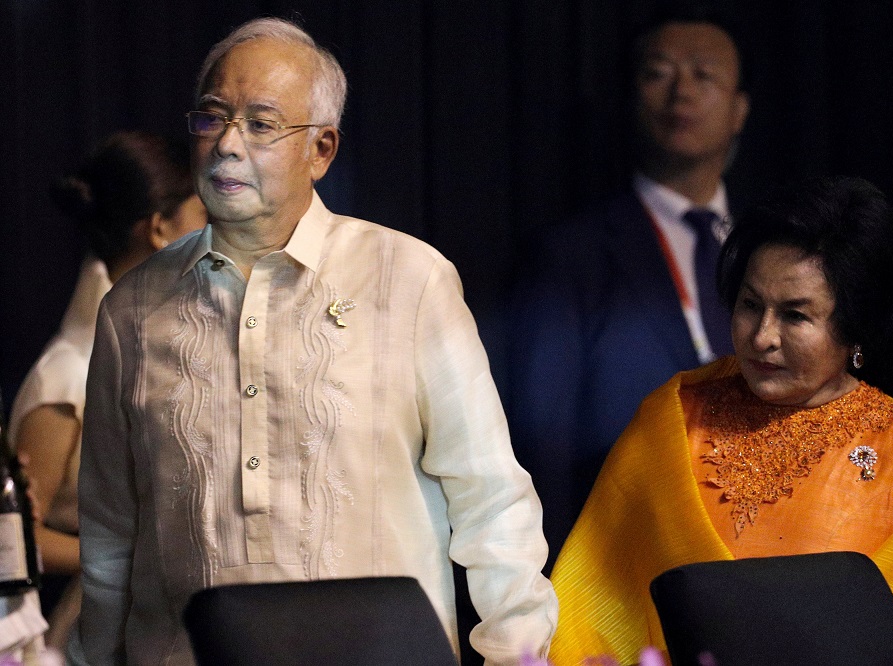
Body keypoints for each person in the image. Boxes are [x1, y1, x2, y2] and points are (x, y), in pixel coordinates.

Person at [75, 17, 556, 666]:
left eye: (261, 124)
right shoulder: (132, 310)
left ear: (321, 150)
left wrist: (517, 656)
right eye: (213, 118)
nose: (228, 145)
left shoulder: (408, 280)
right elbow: (110, 538)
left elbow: (490, 500)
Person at [549, 176, 893, 665]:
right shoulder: (673, 418)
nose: (762, 336)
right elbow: (588, 609)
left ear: (858, 327)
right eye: (750, 305)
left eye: (795, 316)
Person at [507, 6, 751, 567]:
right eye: (658, 72)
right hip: (626, 558)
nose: (681, 91)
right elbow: (545, 441)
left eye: (704, 74)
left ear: (740, 110)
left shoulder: (770, 251)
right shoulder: (571, 254)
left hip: (765, 551)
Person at [9, 131, 206, 651]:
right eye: (202, 217)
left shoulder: (170, 353)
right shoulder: (68, 375)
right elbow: (14, 536)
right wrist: (136, 556)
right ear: (160, 229)